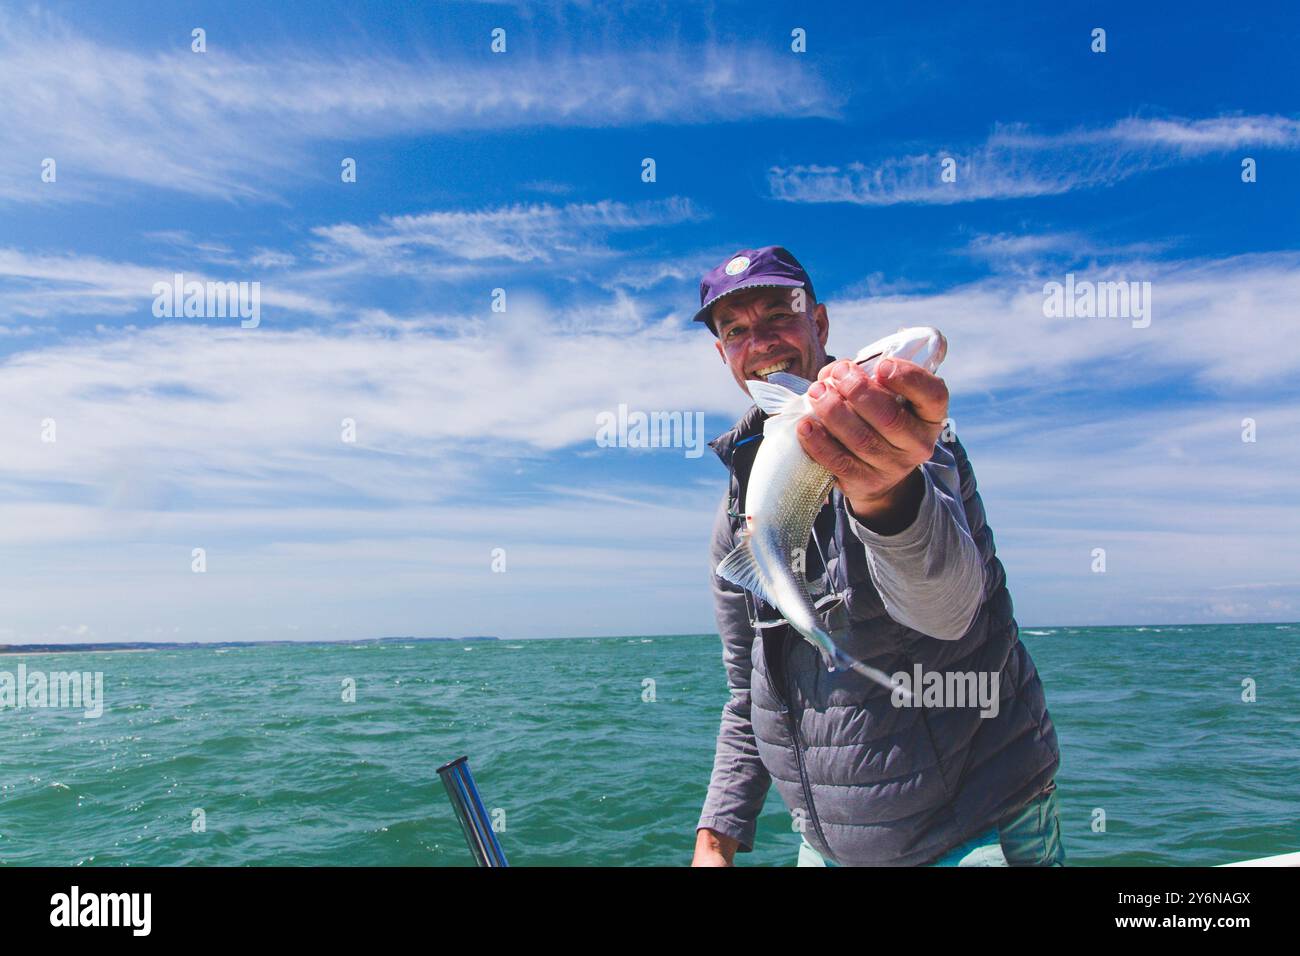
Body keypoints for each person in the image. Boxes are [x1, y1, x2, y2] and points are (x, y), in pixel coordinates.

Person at [690, 246, 1063, 867]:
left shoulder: (915, 438)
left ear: (821, 323)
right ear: (723, 353)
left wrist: (887, 493)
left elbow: (947, 607)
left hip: (973, 830)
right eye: (735, 330)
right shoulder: (740, 509)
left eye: (780, 313)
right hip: (826, 847)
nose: (759, 340)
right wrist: (716, 837)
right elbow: (747, 693)